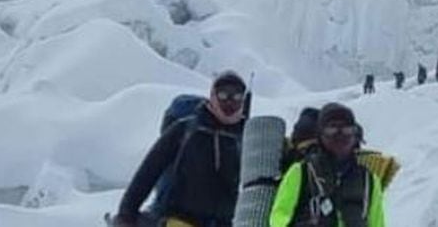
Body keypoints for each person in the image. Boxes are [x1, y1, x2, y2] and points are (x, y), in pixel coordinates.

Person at [114, 71, 247, 227]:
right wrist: (126, 213)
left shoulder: (246, 138)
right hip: (177, 218)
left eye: (237, 97)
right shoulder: (185, 129)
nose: (230, 103)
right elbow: (150, 169)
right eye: (223, 95)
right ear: (212, 97)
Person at [269, 103, 386, 227]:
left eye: (346, 129)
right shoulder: (300, 172)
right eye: (332, 129)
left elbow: (377, 223)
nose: (340, 135)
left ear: (355, 135)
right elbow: (279, 217)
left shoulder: (369, 181)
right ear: (320, 135)